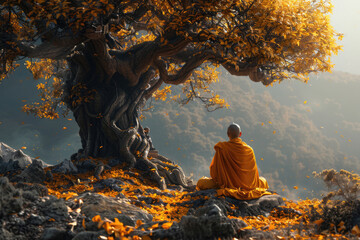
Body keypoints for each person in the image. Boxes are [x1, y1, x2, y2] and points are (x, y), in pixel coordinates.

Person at [196, 123, 271, 200]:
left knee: (201, 182)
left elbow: (214, 171)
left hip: (228, 184)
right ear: (240, 134)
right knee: (263, 181)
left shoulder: (222, 148)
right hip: (248, 186)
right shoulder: (249, 150)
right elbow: (253, 174)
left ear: (228, 134)